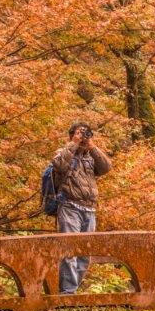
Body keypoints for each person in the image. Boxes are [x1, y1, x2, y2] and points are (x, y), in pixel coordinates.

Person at [51, 121, 111, 294]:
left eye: (85, 134)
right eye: (78, 133)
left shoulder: (90, 157)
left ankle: (73, 290)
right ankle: (68, 294)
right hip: (69, 207)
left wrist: (92, 146)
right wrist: (74, 143)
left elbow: (106, 167)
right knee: (69, 251)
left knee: (85, 254)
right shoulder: (63, 153)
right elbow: (59, 165)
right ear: (71, 136)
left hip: (89, 209)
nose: (82, 137)